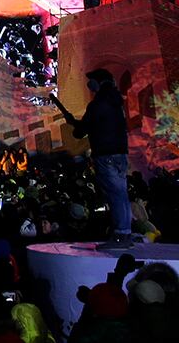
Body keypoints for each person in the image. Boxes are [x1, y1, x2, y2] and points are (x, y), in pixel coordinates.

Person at [58, 68, 132, 249]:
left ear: (99, 82)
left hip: (105, 154)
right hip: (120, 153)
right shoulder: (116, 103)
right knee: (121, 194)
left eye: (91, 80)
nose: (89, 84)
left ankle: (120, 236)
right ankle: (126, 232)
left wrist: (73, 124)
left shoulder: (98, 104)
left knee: (114, 194)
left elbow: (81, 131)